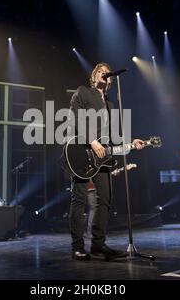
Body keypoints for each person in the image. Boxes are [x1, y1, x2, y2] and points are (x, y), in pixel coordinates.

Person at [67, 62, 145, 261]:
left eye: (105, 72)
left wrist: (129, 144)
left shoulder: (110, 104)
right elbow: (75, 118)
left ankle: (98, 245)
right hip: (81, 151)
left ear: (110, 79)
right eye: (99, 72)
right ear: (94, 77)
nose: (103, 74)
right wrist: (91, 141)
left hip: (102, 157)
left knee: (106, 199)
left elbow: (110, 139)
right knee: (79, 199)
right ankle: (77, 247)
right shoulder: (83, 92)